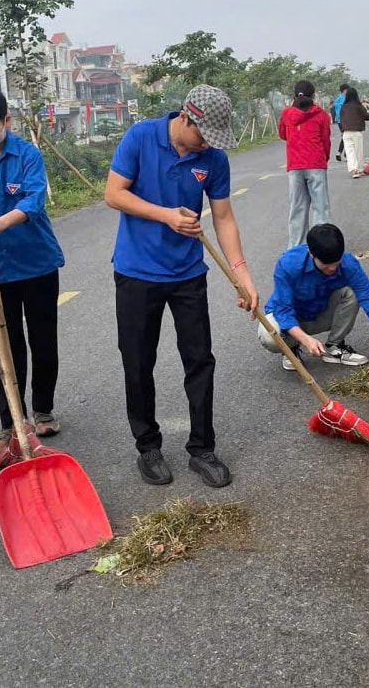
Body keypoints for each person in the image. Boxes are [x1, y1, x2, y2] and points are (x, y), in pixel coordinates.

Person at [104, 84, 259, 489]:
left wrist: (242, 275)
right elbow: (114, 194)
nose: (207, 144)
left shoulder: (213, 159)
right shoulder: (141, 137)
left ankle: (202, 448)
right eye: (203, 135)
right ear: (185, 117)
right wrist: (166, 216)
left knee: (199, 359)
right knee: (138, 361)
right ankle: (148, 447)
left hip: (188, 274)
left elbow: (223, 218)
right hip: (137, 273)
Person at [0, 86, 66, 457]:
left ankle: (43, 410)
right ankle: (11, 421)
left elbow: (34, 200)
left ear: (6, 121)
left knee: (42, 340)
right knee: (5, 348)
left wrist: (2, 222)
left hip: (37, 263)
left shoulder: (27, 154)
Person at [258, 223, 369, 383]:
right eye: (326, 265)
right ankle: (291, 348)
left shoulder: (349, 264)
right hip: (289, 320)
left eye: (336, 263)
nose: (332, 269)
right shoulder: (289, 264)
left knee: (352, 292)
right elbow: (283, 312)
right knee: (269, 334)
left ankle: (334, 347)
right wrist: (306, 340)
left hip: (320, 313)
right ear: (311, 254)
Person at [278, 80, 332, 249]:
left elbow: (283, 134)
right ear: (313, 95)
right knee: (320, 207)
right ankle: (321, 246)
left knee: (297, 207)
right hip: (316, 164)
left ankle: (297, 246)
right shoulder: (321, 115)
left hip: (295, 165)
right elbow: (325, 140)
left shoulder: (286, 114)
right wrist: (324, 158)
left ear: (294, 96)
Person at [339, 87, 369, 179]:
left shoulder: (343, 107)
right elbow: (367, 116)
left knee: (350, 152)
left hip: (346, 133)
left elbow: (341, 119)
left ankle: (354, 170)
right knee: (358, 152)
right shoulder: (359, 106)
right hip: (356, 132)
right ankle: (359, 169)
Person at [332, 83, 349, 162]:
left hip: (339, 121)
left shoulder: (337, 100)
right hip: (345, 120)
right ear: (345, 90)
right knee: (347, 137)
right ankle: (345, 154)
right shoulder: (346, 99)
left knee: (344, 136)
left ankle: (339, 153)